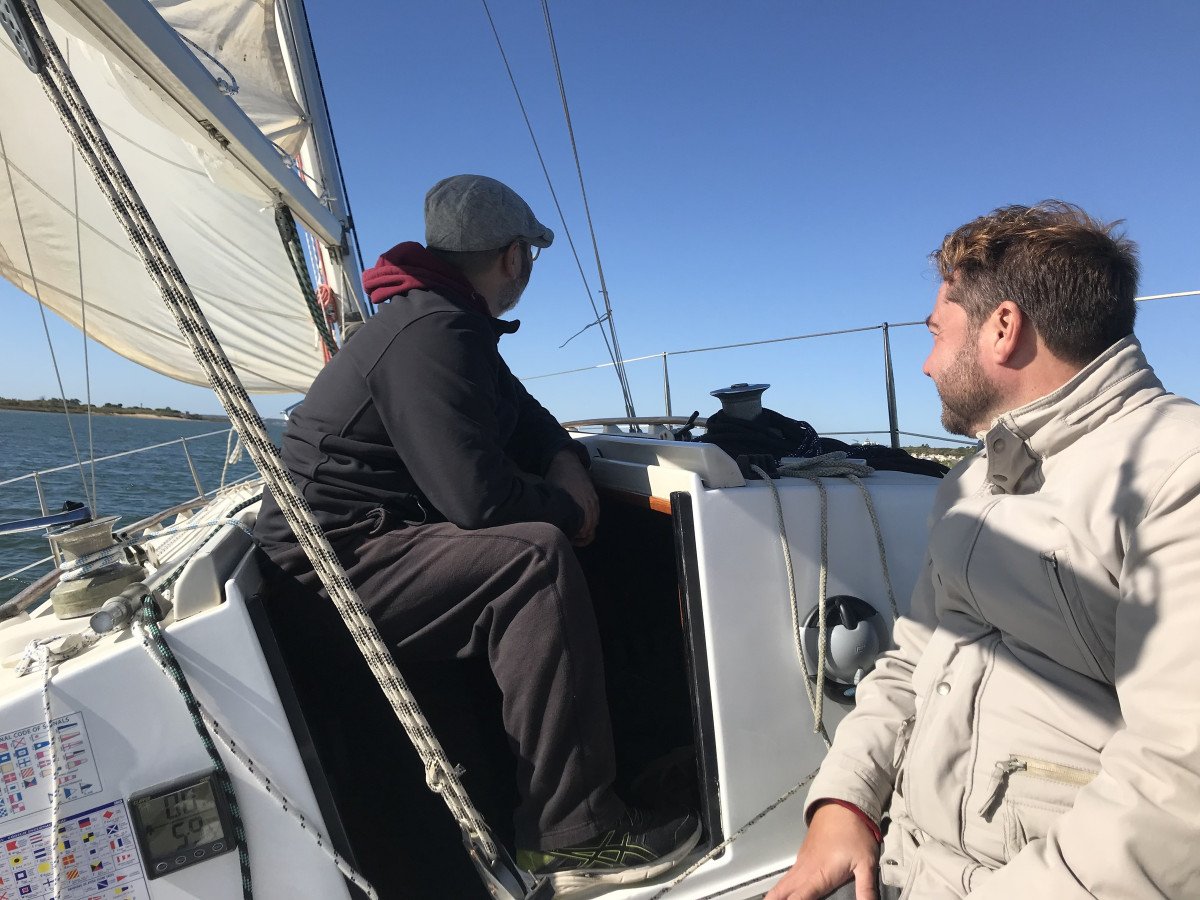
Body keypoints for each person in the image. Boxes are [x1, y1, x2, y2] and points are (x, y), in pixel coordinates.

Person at [254, 174, 699, 891]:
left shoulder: (448, 323)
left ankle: (611, 774)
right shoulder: (431, 331)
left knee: (547, 549)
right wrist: (568, 508)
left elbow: (529, 420)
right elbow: (478, 500)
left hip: (354, 550)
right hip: (325, 572)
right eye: (529, 257)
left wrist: (567, 463)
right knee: (533, 560)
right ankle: (574, 835)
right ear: (515, 257)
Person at [768, 201, 1200, 900]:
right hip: (908, 867)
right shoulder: (970, 482)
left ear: (1003, 329)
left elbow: (1181, 785)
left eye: (938, 333)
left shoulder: (1180, 474)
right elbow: (912, 658)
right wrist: (845, 803)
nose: (926, 363)